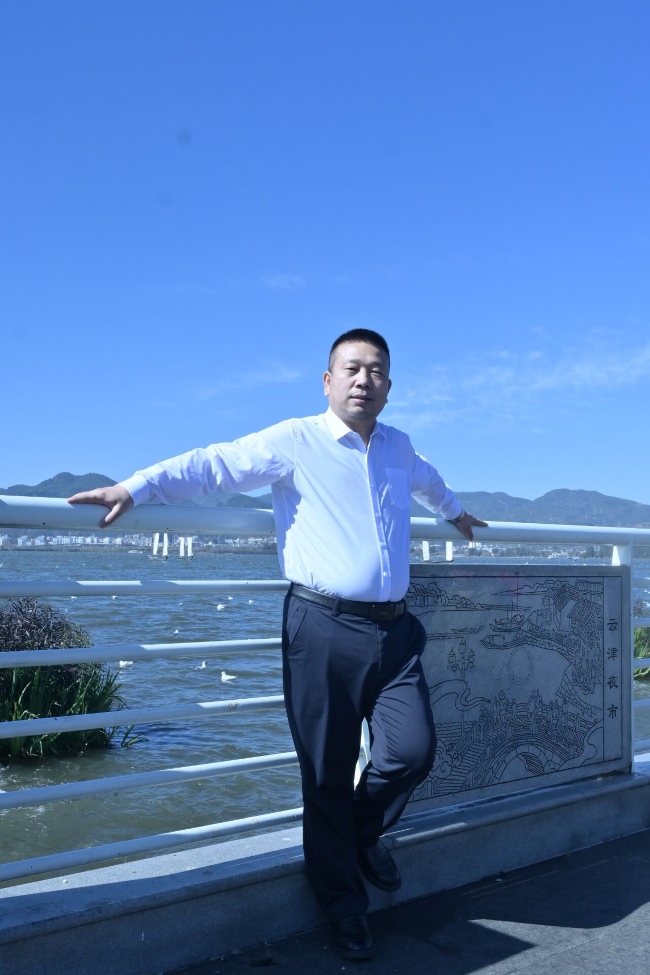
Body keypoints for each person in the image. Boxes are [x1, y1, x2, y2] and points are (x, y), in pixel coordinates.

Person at [69, 329, 486, 960]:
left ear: (389, 385)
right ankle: (343, 905)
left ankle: (360, 832)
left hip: (395, 631)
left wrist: (455, 513)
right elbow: (215, 465)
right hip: (322, 627)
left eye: (376, 370)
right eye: (351, 368)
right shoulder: (295, 440)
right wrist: (137, 486)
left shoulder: (398, 447)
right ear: (328, 380)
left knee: (412, 750)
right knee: (325, 772)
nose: (363, 380)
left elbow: (428, 482)